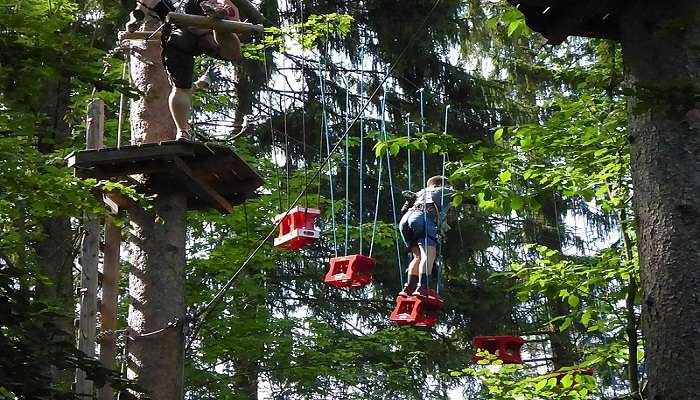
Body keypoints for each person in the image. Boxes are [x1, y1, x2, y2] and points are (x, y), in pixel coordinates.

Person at [128, 0, 242, 141]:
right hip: (205, 33)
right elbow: (235, 19)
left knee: (180, 88)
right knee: (231, 51)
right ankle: (217, 21)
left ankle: (182, 131)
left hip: (180, 35)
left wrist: (134, 22)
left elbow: (144, 7)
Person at [398, 175, 454, 297]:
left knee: (417, 256)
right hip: (423, 219)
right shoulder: (443, 190)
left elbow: (403, 209)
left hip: (405, 220)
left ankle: (409, 288)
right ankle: (422, 287)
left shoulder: (419, 193)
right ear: (439, 184)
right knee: (428, 254)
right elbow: (466, 197)